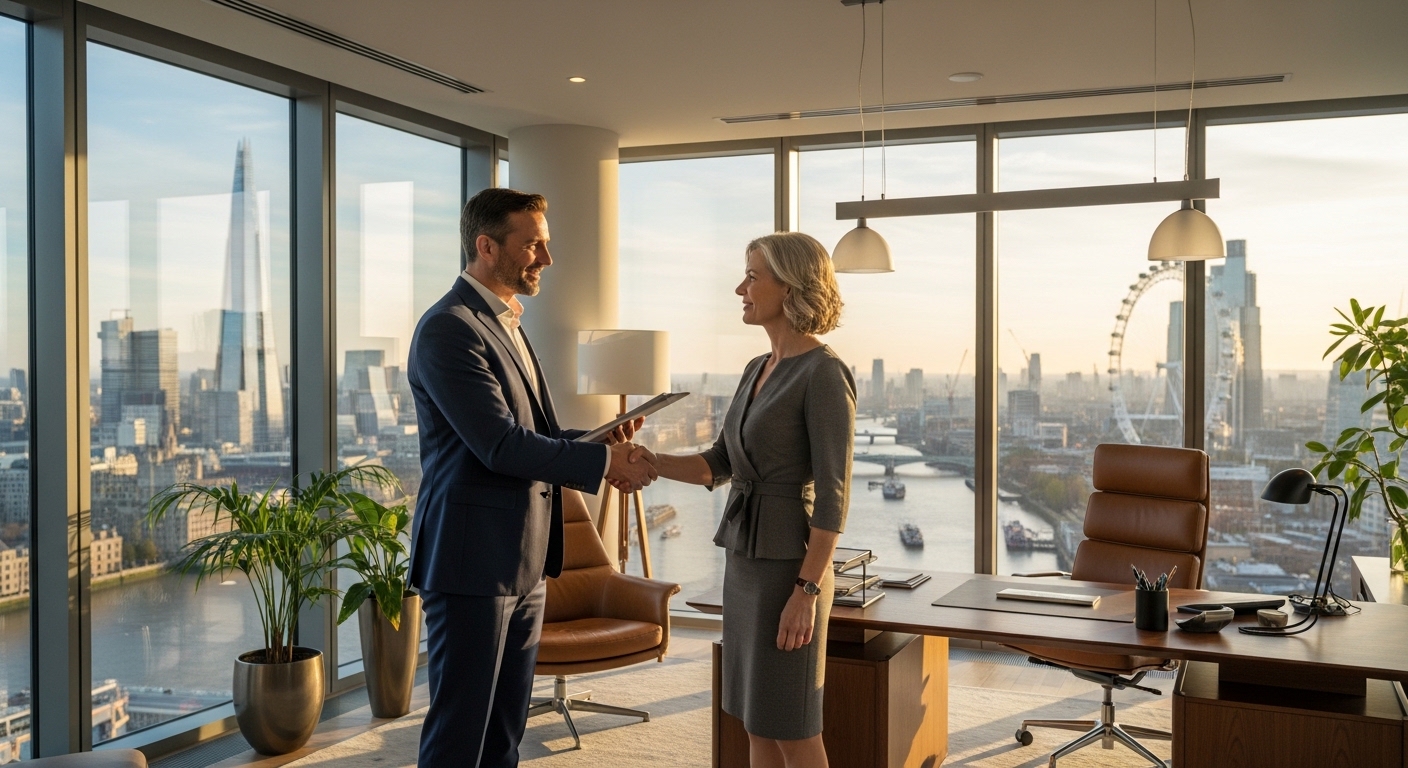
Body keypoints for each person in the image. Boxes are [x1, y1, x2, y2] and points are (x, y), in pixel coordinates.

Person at [407, 187, 657, 768]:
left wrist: (597, 440)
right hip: (472, 563)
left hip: (524, 561)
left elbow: (531, 433)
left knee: (504, 732)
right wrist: (603, 466)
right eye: (533, 245)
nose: (546, 258)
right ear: (486, 246)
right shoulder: (449, 328)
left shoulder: (507, 324)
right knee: (460, 733)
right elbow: (498, 445)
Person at [630, 232, 854, 768]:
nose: (740, 289)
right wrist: (651, 462)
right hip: (746, 561)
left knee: (793, 725)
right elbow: (720, 462)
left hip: (790, 569)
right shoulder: (757, 367)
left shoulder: (824, 373)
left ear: (790, 286)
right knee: (756, 719)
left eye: (752, 277)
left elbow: (833, 497)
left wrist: (806, 591)